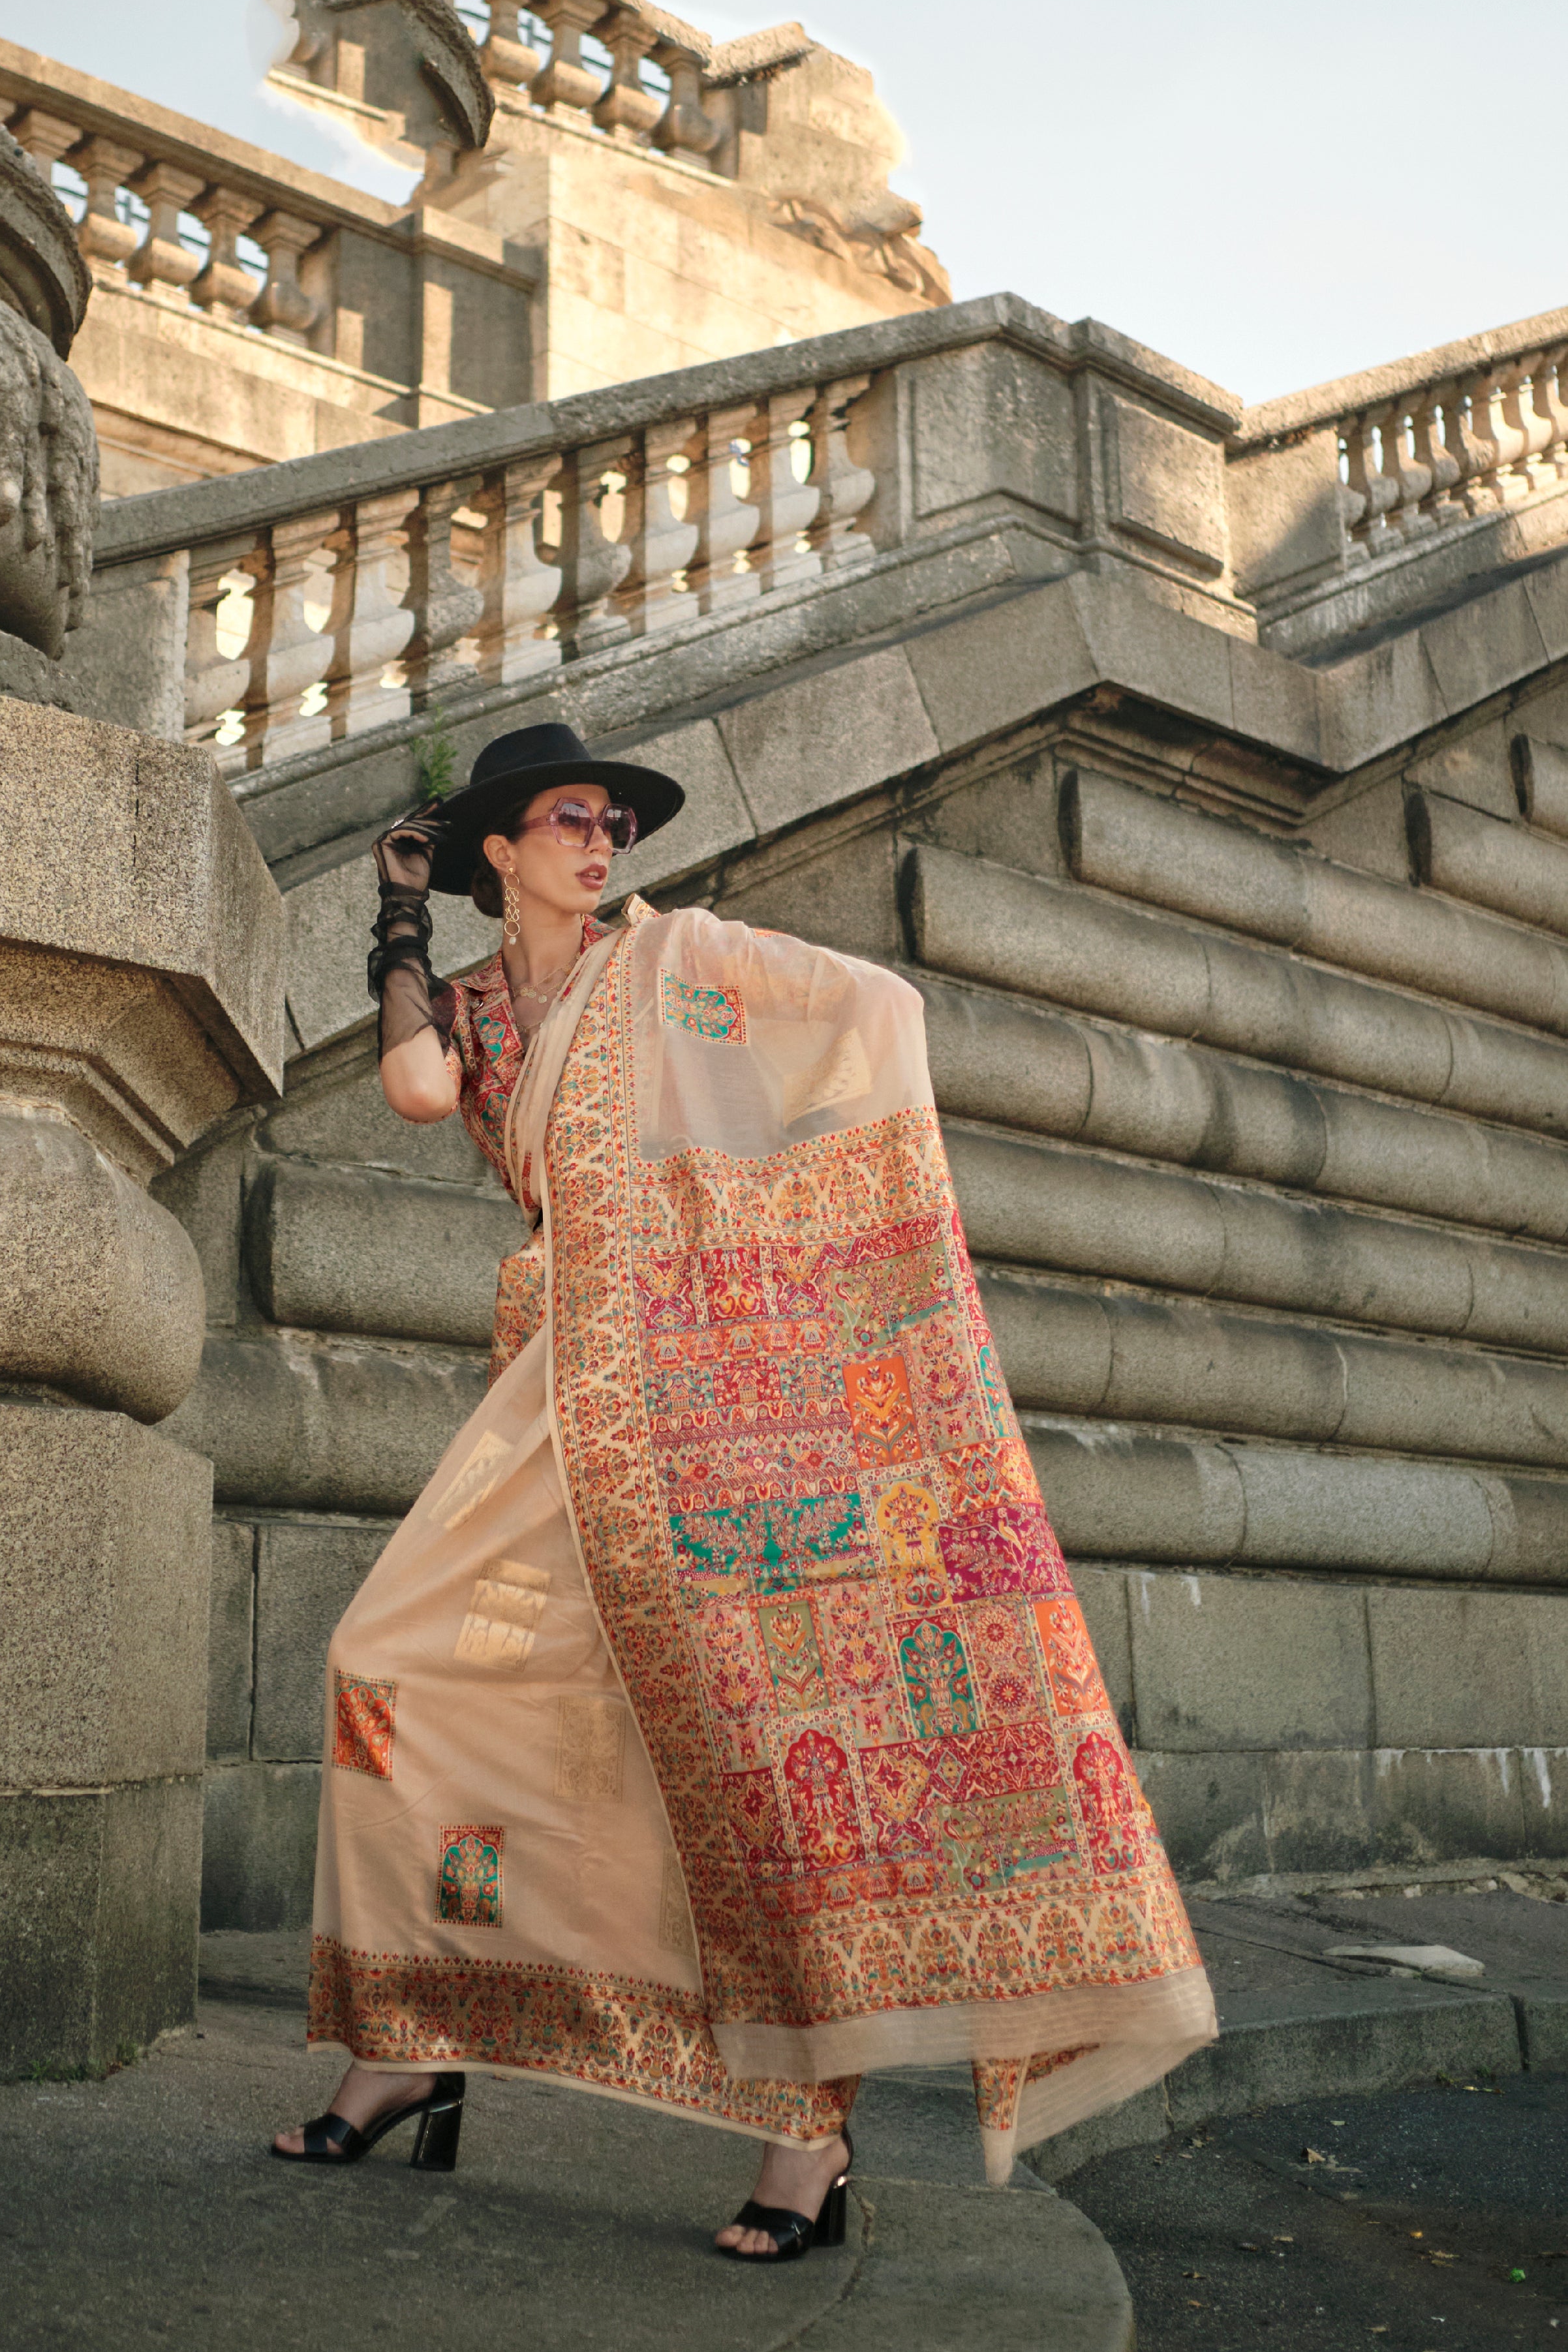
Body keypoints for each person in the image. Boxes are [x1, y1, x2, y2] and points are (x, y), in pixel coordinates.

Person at [273, 722, 1215, 2257]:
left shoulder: (686, 962)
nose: (598, 842)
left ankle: (805, 2142)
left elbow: (878, 1014)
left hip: (705, 1403)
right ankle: (417, 2027)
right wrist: (398, 915)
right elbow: (416, 1093)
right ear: (496, 850)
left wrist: (781, 1267)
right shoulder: (474, 1006)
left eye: (611, 824)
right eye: (564, 820)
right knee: (392, 1664)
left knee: (742, 1736)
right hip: (553, 1395)